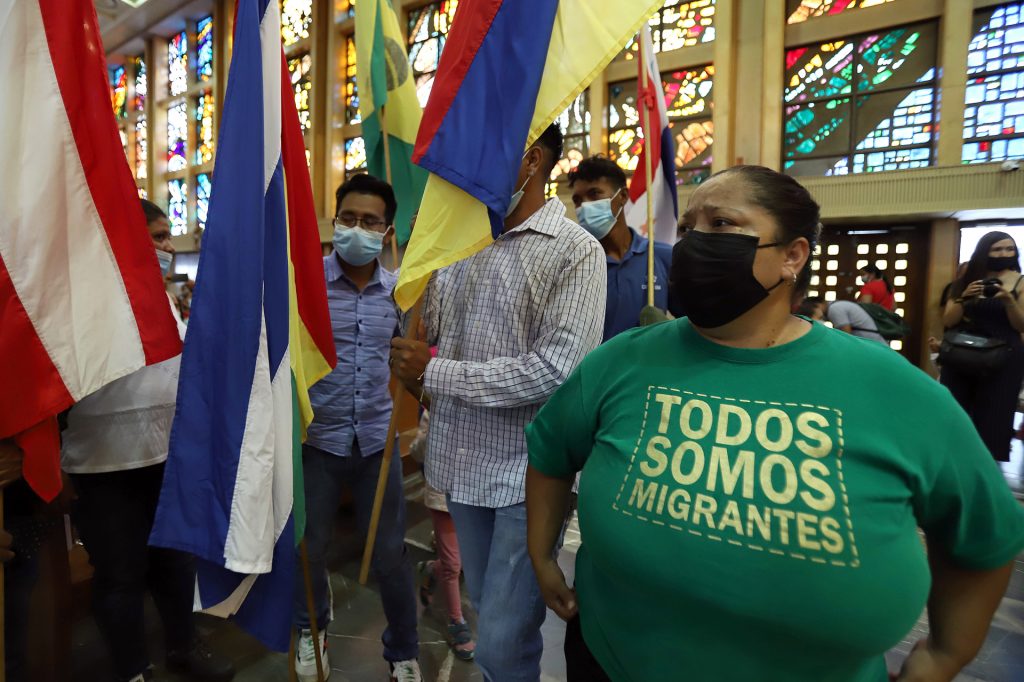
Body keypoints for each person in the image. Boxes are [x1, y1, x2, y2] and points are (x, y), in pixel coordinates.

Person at [525, 165, 1024, 682]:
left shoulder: (897, 392)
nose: (697, 242)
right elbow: (549, 451)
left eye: (721, 224)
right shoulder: (620, 362)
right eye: (691, 227)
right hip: (613, 661)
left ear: (793, 255)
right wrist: (541, 554)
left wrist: (947, 654)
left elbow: (985, 535)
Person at [390, 124, 606, 682]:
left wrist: (437, 370)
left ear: (530, 160)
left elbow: (556, 372)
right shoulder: (459, 245)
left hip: (526, 475)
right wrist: (415, 269)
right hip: (459, 467)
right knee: (490, 609)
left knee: (505, 642)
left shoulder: (574, 250)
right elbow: (422, 340)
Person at [61, 199, 234, 682]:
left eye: (166, 237)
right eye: (158, 237)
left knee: (175, 562)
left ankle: (184, 645)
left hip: (166, 457)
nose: (168, 247)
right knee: (121, 575)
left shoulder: (164, 298)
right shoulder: (81, 304)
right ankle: (132, 669)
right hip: (103, 466)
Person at [294, 174, 421, 682]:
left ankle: (404, 650)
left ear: (387, 232)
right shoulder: (305, 286)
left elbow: (414, 361)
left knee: (391, 553)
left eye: (369, 221)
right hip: (317, 441)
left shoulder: (401, 294)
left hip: (376, 443)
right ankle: (310, 629)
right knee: (310, 547)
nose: (357, 228)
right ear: (334, 220)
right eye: (348, 218)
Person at [568, 155, 675, 341]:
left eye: (594, 194)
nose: (584, 206)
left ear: (623, 196)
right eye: (577, 200)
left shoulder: (660, 256)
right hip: (596, 369)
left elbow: (695, 321)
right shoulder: (576, 262)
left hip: (648, 366)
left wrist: (668, 330)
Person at [940, 231, 1024, 462]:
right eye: (997, 249)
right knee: (954, 408)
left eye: (1009, 249)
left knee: (995, 412)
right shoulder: (965, 282)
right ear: (983, 252)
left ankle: (986, 464)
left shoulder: (1020, 281)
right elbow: (948, 321)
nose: (1004, 254)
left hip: (1003, 356)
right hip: (963, 353)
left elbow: (1021, 325)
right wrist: (964, 297)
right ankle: (952, 458)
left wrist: (1009, 302)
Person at [408, 408, 476, 661]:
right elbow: (417, 451)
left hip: (474, 495)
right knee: (453, 565)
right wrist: (434, 432)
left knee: (466, 560)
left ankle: (430, 570)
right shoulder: (432, 409)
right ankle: (456, 621)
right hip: (442, 497)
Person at [799, 296, 887, 345]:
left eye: (815, 308)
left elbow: (846, 333)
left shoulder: (834, 309)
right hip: (872, 341)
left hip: (871, 342)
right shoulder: (837, 305)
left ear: (818, 304)